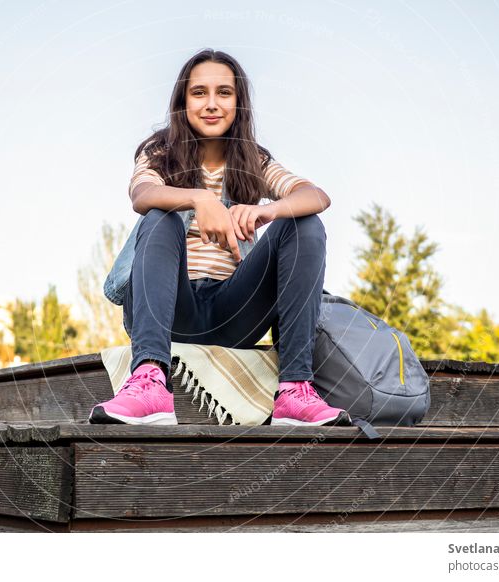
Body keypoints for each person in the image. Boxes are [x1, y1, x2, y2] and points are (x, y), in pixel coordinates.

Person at [90, 48, 352, 428]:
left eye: (224, 93)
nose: (211, 104)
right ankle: (148, 382)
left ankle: (295, 389)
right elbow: (142, 195)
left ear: (238, 102)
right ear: (183, 102)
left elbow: (316, 196)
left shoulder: (253, 160)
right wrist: (200, 198)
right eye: (199, 93)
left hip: (233, 313)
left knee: (304, 222)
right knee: (160, 217)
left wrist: (267, 211)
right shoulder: (159, 152)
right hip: (171, 311)